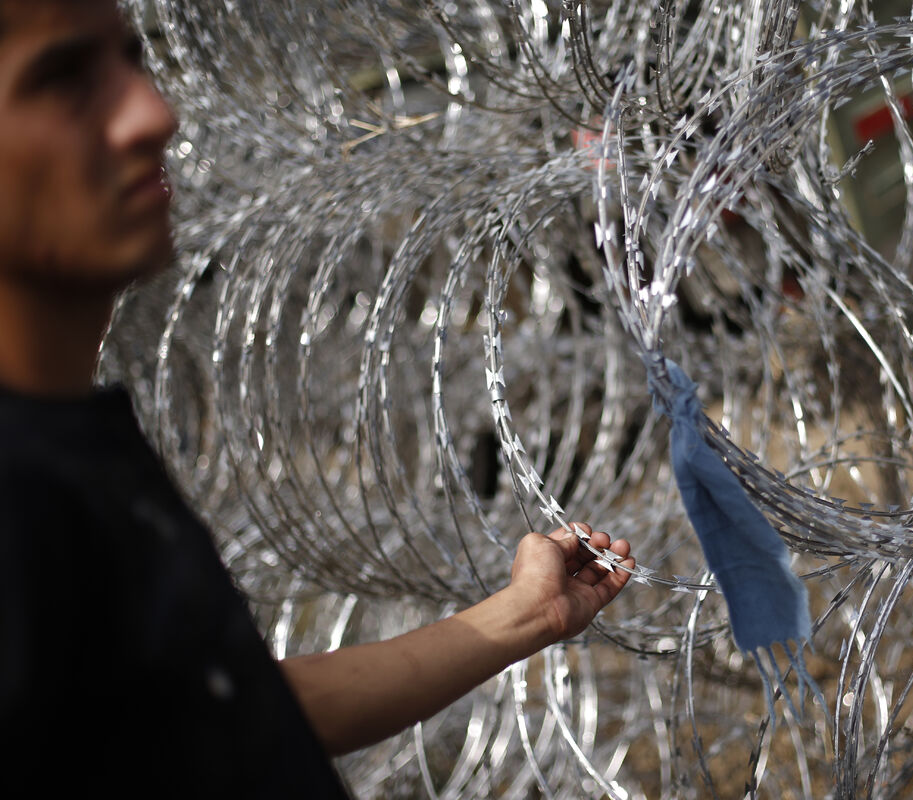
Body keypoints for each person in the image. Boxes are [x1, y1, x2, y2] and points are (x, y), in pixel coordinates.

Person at [0, 1, 634, 794]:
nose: (153, 113)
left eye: (132, 61)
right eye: (62, 81)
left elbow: (215, 711)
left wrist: (527, 614)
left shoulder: (69, 444)